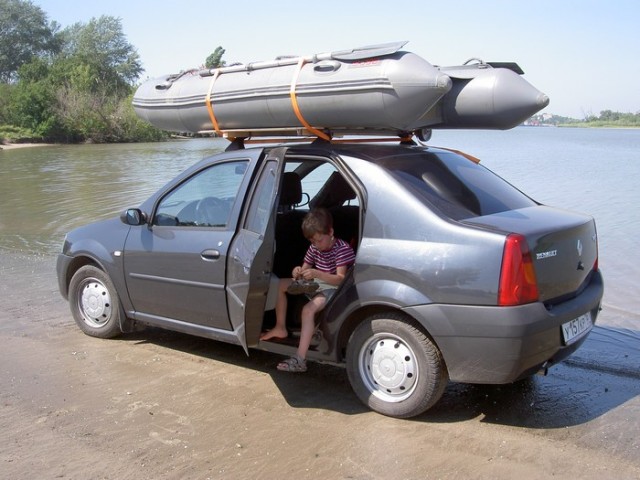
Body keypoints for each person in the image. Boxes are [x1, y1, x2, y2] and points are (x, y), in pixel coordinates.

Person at [261, 208, 355, 372]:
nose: (316, 245)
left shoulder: (342, 249)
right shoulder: (314, 248)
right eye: (313, 242)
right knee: (277, 285)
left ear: (330, 232)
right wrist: (297, 271)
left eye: (319, 240)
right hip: (317, 283)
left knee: (308, 310)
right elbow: (304, 269)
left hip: (335, 289)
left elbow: (341, 279)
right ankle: (280, 327)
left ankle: (300, 359)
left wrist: (317, 273)